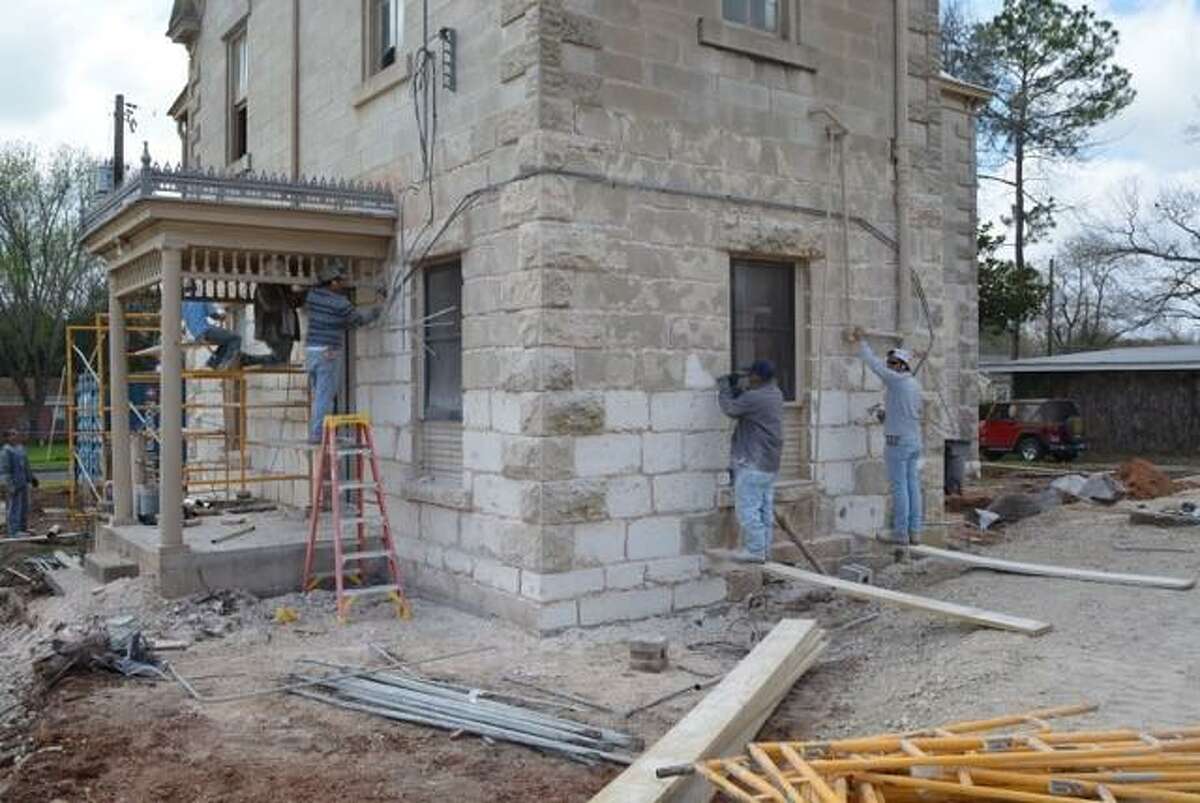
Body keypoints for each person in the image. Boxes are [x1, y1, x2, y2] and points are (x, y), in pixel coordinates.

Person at [848, 327, 923, 554]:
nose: (889, 365)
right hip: (913, 440)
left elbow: (874, 364)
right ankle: (915, 531)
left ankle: (900, 533)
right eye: (890, 362)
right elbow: (904, 412)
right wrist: (885, 417)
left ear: (901, 365)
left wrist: (861, 341)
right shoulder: (913, 384)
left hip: (897, 442)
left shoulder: (896, 380)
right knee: (912, 485)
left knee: (900, 486)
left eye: (892, 362)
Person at [304, 258, 383, 443]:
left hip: (312, 351)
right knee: (326, 396)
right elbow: (358, 320)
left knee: (319, 394)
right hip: (327, 351)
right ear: (332, 282)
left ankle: (320, 432)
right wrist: (377, 309)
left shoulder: (312, 296)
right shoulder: (340, 303)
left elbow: (341, 321)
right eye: (340, 281)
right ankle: (319, 435)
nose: (343, 284)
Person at [717, 360, 784, 563]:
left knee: (747, 508)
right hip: (769, 464)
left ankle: (755, 551)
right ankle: (764, 550)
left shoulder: (755, 397)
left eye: (751, 375)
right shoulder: (775, 393)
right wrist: (739, 389)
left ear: (758, 377)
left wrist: (724, 389)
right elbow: (747, 404)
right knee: (763, 508)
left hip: (753, 462)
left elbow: (730, 409)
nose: (748, 378)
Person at [182, 296, 242, 369]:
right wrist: (223, 316)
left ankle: (212, 363)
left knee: (226, 342)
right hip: (205, 330)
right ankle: (226, 363)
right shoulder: (202, 299)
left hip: (196, 334)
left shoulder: (184, 303)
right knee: (236, 338)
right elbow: (213, 315)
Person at [1, 429, 37, 537]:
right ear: (7, 438)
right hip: (14, 484)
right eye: (12, 435)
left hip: (23, 483)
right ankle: (13, 531)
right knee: (14, 507)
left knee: (24, 507)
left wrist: (32, 478)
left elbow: (26, 466)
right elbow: (5, 471)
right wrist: (10, 485)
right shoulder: (5, 451)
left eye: (16, 434)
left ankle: (23, 528)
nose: (15, 436)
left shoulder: (20, 449)